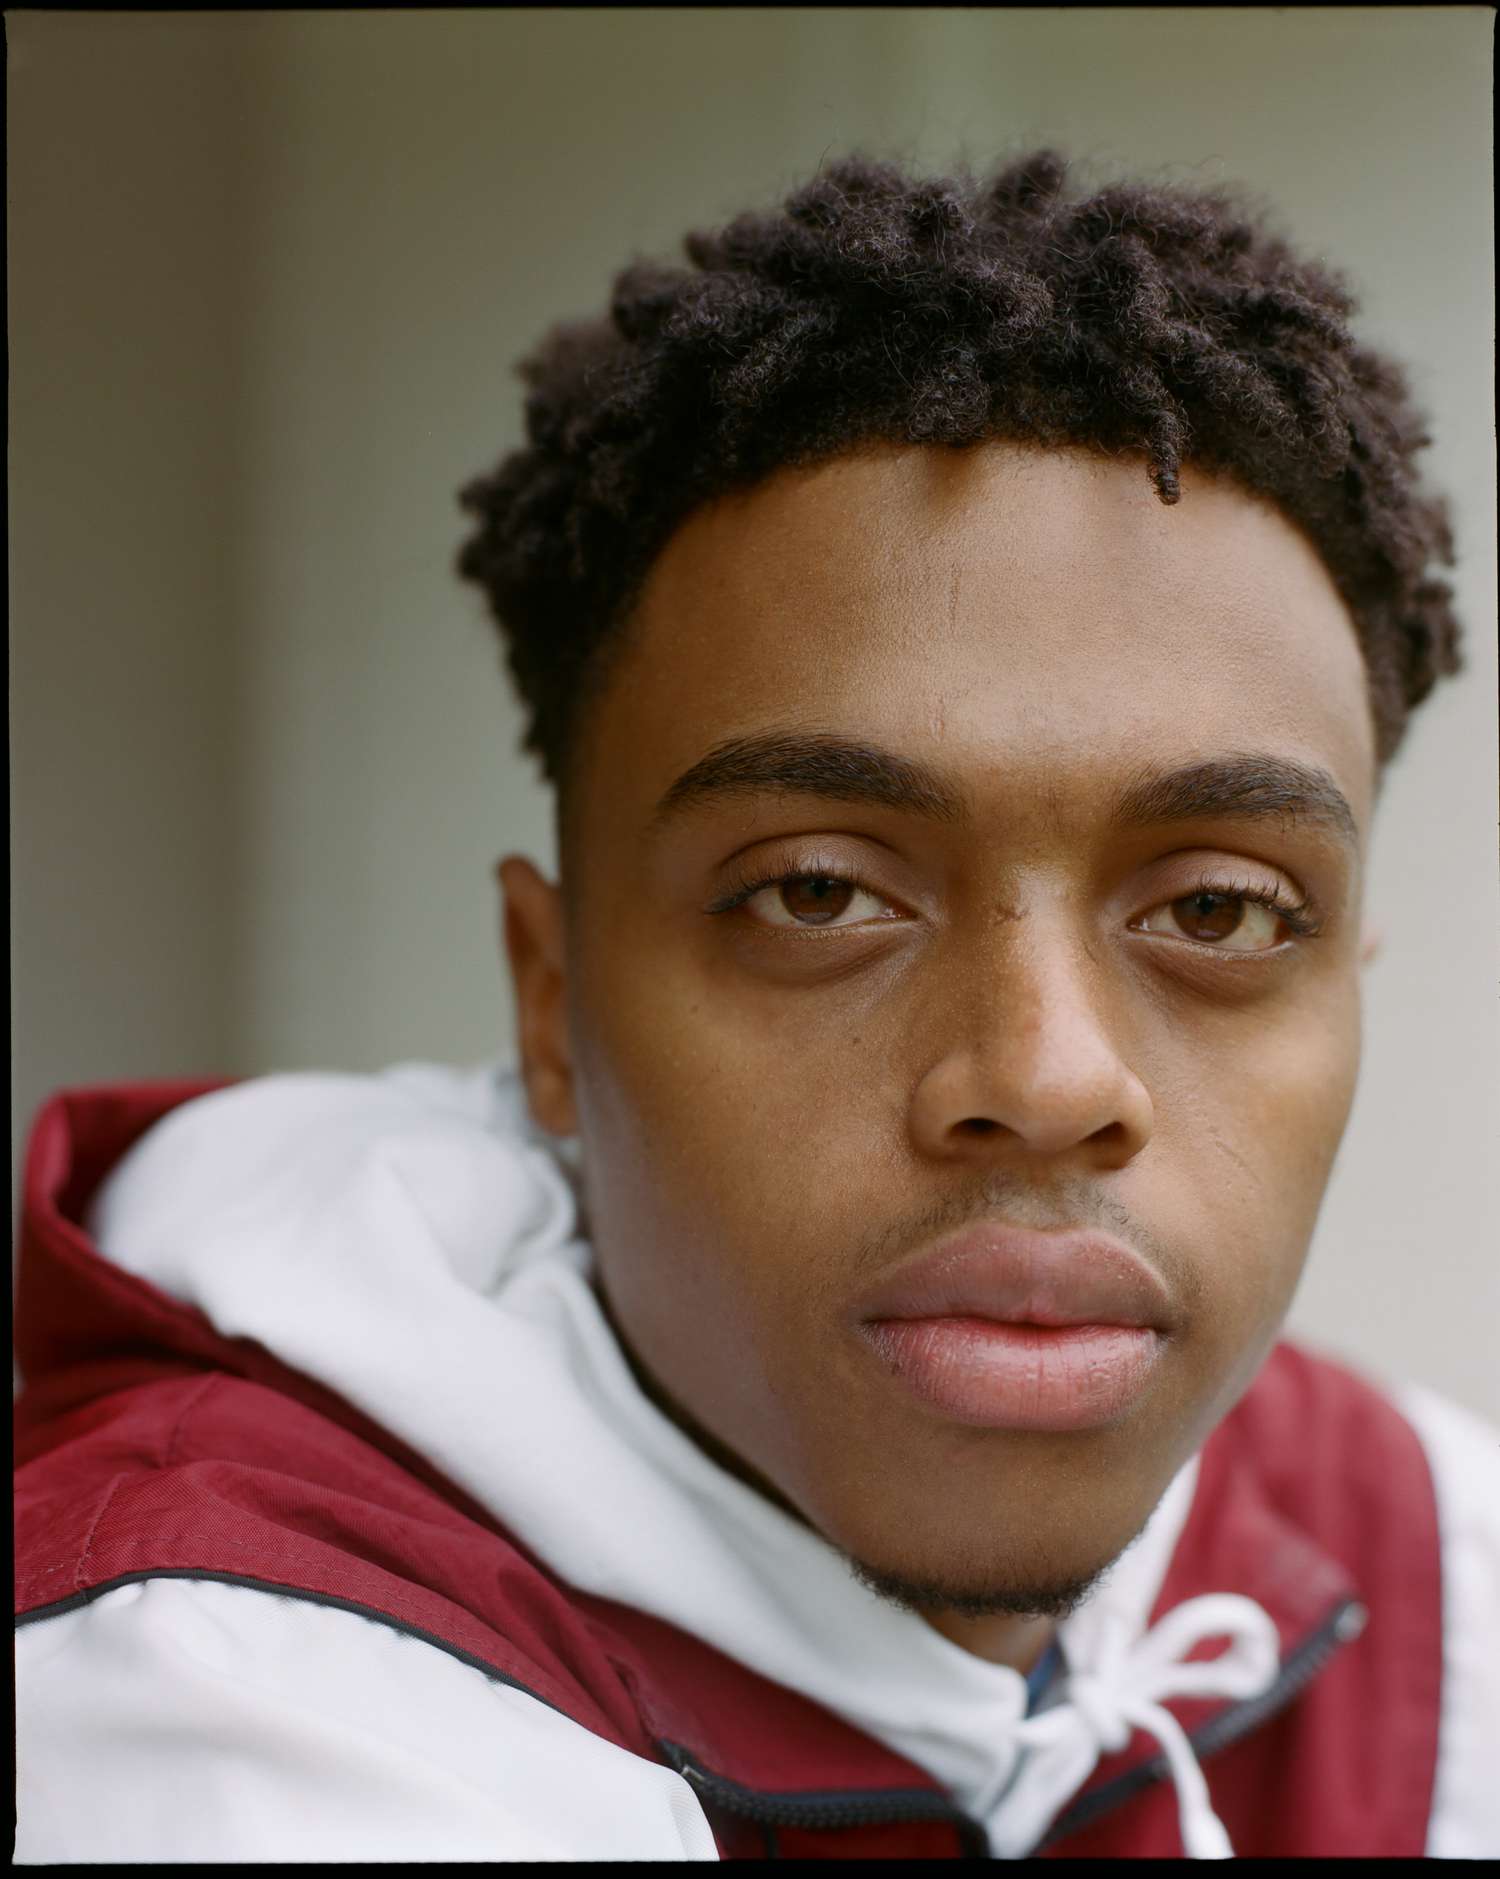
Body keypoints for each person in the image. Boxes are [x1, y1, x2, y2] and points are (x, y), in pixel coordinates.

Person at [13, 149, 1497, 1861]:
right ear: (551, 1000)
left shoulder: (1433, 1574)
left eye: (1223, 909)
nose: (1044, 1075)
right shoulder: (216, 1705)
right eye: (818, 892)